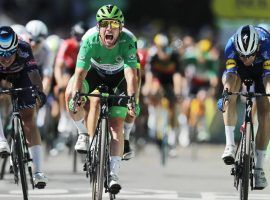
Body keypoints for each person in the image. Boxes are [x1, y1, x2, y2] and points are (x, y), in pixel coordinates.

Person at [65, 4, 138, 194]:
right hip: (94, 74)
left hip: (119, 77)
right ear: (98, 27)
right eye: (105, 24)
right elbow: (80, 73)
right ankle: (83, 133)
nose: (109, 28)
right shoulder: (89, 40)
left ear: (120, 27)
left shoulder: (128, 40)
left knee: (116, 126)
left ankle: (113, 174)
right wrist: (76, 96)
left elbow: (131, 74)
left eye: (114, 24)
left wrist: (132, 98)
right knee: (71, 94)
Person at [220, 25, 270, 190]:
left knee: (266, 110)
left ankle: (259, 169)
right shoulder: (231, 45)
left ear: (257, 48)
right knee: (229, 91)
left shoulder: (267, 44)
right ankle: (230, 145)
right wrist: (226, 94)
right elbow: (230, 77)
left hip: (262, 70)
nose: (246, 59)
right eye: (243, 55)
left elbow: (268, 81)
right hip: (238, 72)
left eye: (250, 55)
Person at [0, 26, 48, 188]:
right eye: (1, 54)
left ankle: (38, 172)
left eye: (9, 53)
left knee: (29, 120)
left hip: (21, 75)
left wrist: (40, 93)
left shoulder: (24, 48)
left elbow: (34, 74)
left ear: (16, 48)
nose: (5, 58)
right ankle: (1, 140)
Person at [54, 22, 88, 134]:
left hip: (85, 69)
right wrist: (59, 83)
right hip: (70, 69)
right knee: (63, 84)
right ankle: (64, 114)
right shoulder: (67, 44)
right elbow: (58, 66)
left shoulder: (90, 44)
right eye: (77, 37)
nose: (79, 41)